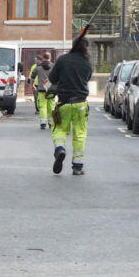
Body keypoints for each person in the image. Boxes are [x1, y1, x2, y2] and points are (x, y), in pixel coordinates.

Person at [48, 36, 93, 176]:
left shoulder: (63, 59)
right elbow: (87, 78)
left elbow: (52, 78)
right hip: (81, 103)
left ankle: (60, 149)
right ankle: (78, 166)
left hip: (64, 102)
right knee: (80, 134)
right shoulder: (87, 63)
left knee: (60, 129)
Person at [31, 53, 54, 130]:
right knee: (51, 106)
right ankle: (51, 123)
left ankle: (43, 123)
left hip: (41, 90)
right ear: (50, 58)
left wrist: (32, 85)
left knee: (42, 106)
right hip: (51, 90)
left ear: (43, 58)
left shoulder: (38, 67)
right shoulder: (54, 66)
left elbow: (32, 76)